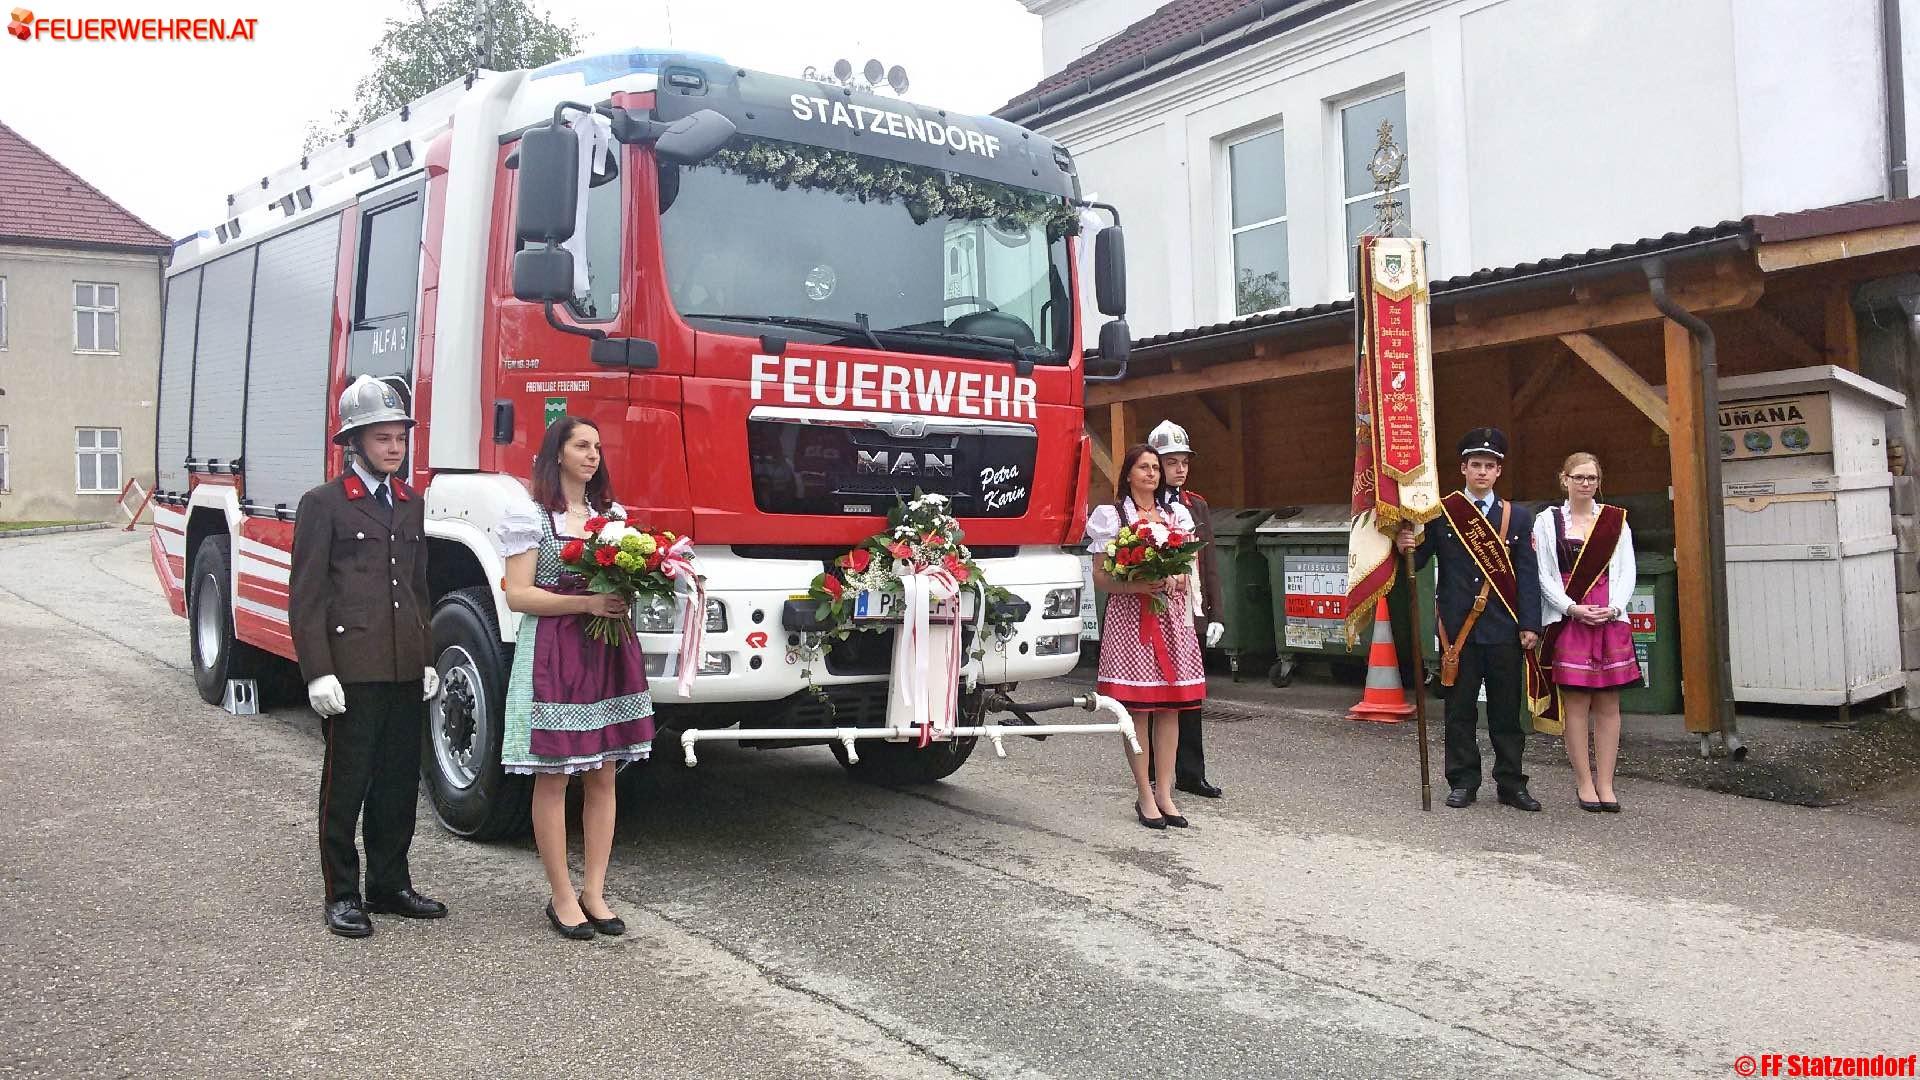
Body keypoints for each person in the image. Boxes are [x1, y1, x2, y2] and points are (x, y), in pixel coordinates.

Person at [290, 374, 446, 938]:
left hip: (403, 667)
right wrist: (317, 671)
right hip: (351, 670)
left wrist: (426, 656)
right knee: (347, 782)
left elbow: (418, 586)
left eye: (400, 437)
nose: (395, 448)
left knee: (399, 783)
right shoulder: (324, 504)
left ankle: (389, 882)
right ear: (354, 442)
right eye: (382, 438)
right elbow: (307, 595)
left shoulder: (409, 503)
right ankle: (342, 893)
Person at [494, 416, 656, 940]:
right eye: (582, 445)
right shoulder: (532, 514)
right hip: (555, 653)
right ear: (557, 452)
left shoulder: (611, 518)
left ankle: (595, 891)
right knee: (555, 773)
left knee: (605, 772)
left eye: (597, 446)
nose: (593, 455)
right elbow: (518, 594)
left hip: (606, 652)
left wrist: (628, 589)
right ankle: (562, 895)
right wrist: (586, 600)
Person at [1396, 427, 1545, 811]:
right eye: (1475, 464)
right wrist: (1405, 544)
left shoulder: (1518, 517)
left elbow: (1528, 574)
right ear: (1463, 468)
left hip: (1503, 629)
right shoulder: (1441, 514)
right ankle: (1463, 781)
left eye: (1489, 466)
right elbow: (1419, 561)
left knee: (1506, 714)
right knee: (1459, 712)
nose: (1482, 472)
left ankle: (1511, 783)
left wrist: (1530, 624)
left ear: (1498, 472)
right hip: (1456, 633)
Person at [1085, 444, 1208, 830]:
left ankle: (1165, 793)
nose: (1152, 473)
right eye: (1144, 467)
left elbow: (1189, 566)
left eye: (1156, 467)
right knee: (1138, 708)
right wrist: (1137, 584)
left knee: (1170, 707)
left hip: (1171, 619)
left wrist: (1175, 576)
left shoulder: (1176, 515)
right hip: (1130, 620)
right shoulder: (1112, 516)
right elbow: (1101, 577)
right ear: (1128, 474)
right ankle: (1143, 793)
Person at [1533, 452, 1638, 813]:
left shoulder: (1615, 521)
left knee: (1609, 705)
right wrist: (1570, 608)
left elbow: (1627, 571)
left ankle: (1607, 783)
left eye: (1591, 478)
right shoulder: (1547, 522)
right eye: (1578, 477)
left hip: (1608, 619)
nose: (1585, 484)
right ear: (1564, 479)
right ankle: (1584, 782)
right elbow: (1544, 573)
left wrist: (1615, 608)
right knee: (1576, 704)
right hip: (1571, 619)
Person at [1146, 420, 1226, 799]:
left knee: (1189, 697)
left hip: (1190, 610)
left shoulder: (1197, 504)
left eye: (1184, 462)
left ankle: (1191, 773)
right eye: (1171, 461)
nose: (1179, 469)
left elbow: (1208, 564)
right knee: (1150, 695)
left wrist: (1217, 614)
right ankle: (1150, 772)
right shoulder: (1143, 506)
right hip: (1154, 610)